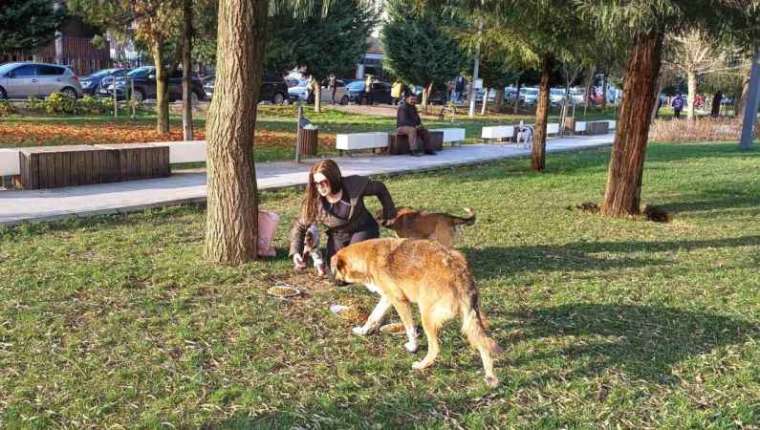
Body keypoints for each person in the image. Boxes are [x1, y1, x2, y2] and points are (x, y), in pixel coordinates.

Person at [289, 159, 397, 280]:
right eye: (316, 183)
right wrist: (296, 252)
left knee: (353, 267)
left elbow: (379, 188)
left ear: (333, 178)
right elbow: (299, 226)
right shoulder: (315, 202)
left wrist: (390, 213)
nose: (320, 187)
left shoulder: (353, 186)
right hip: (338, 235)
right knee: (336, 276)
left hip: (363, 228)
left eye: (324, 182)